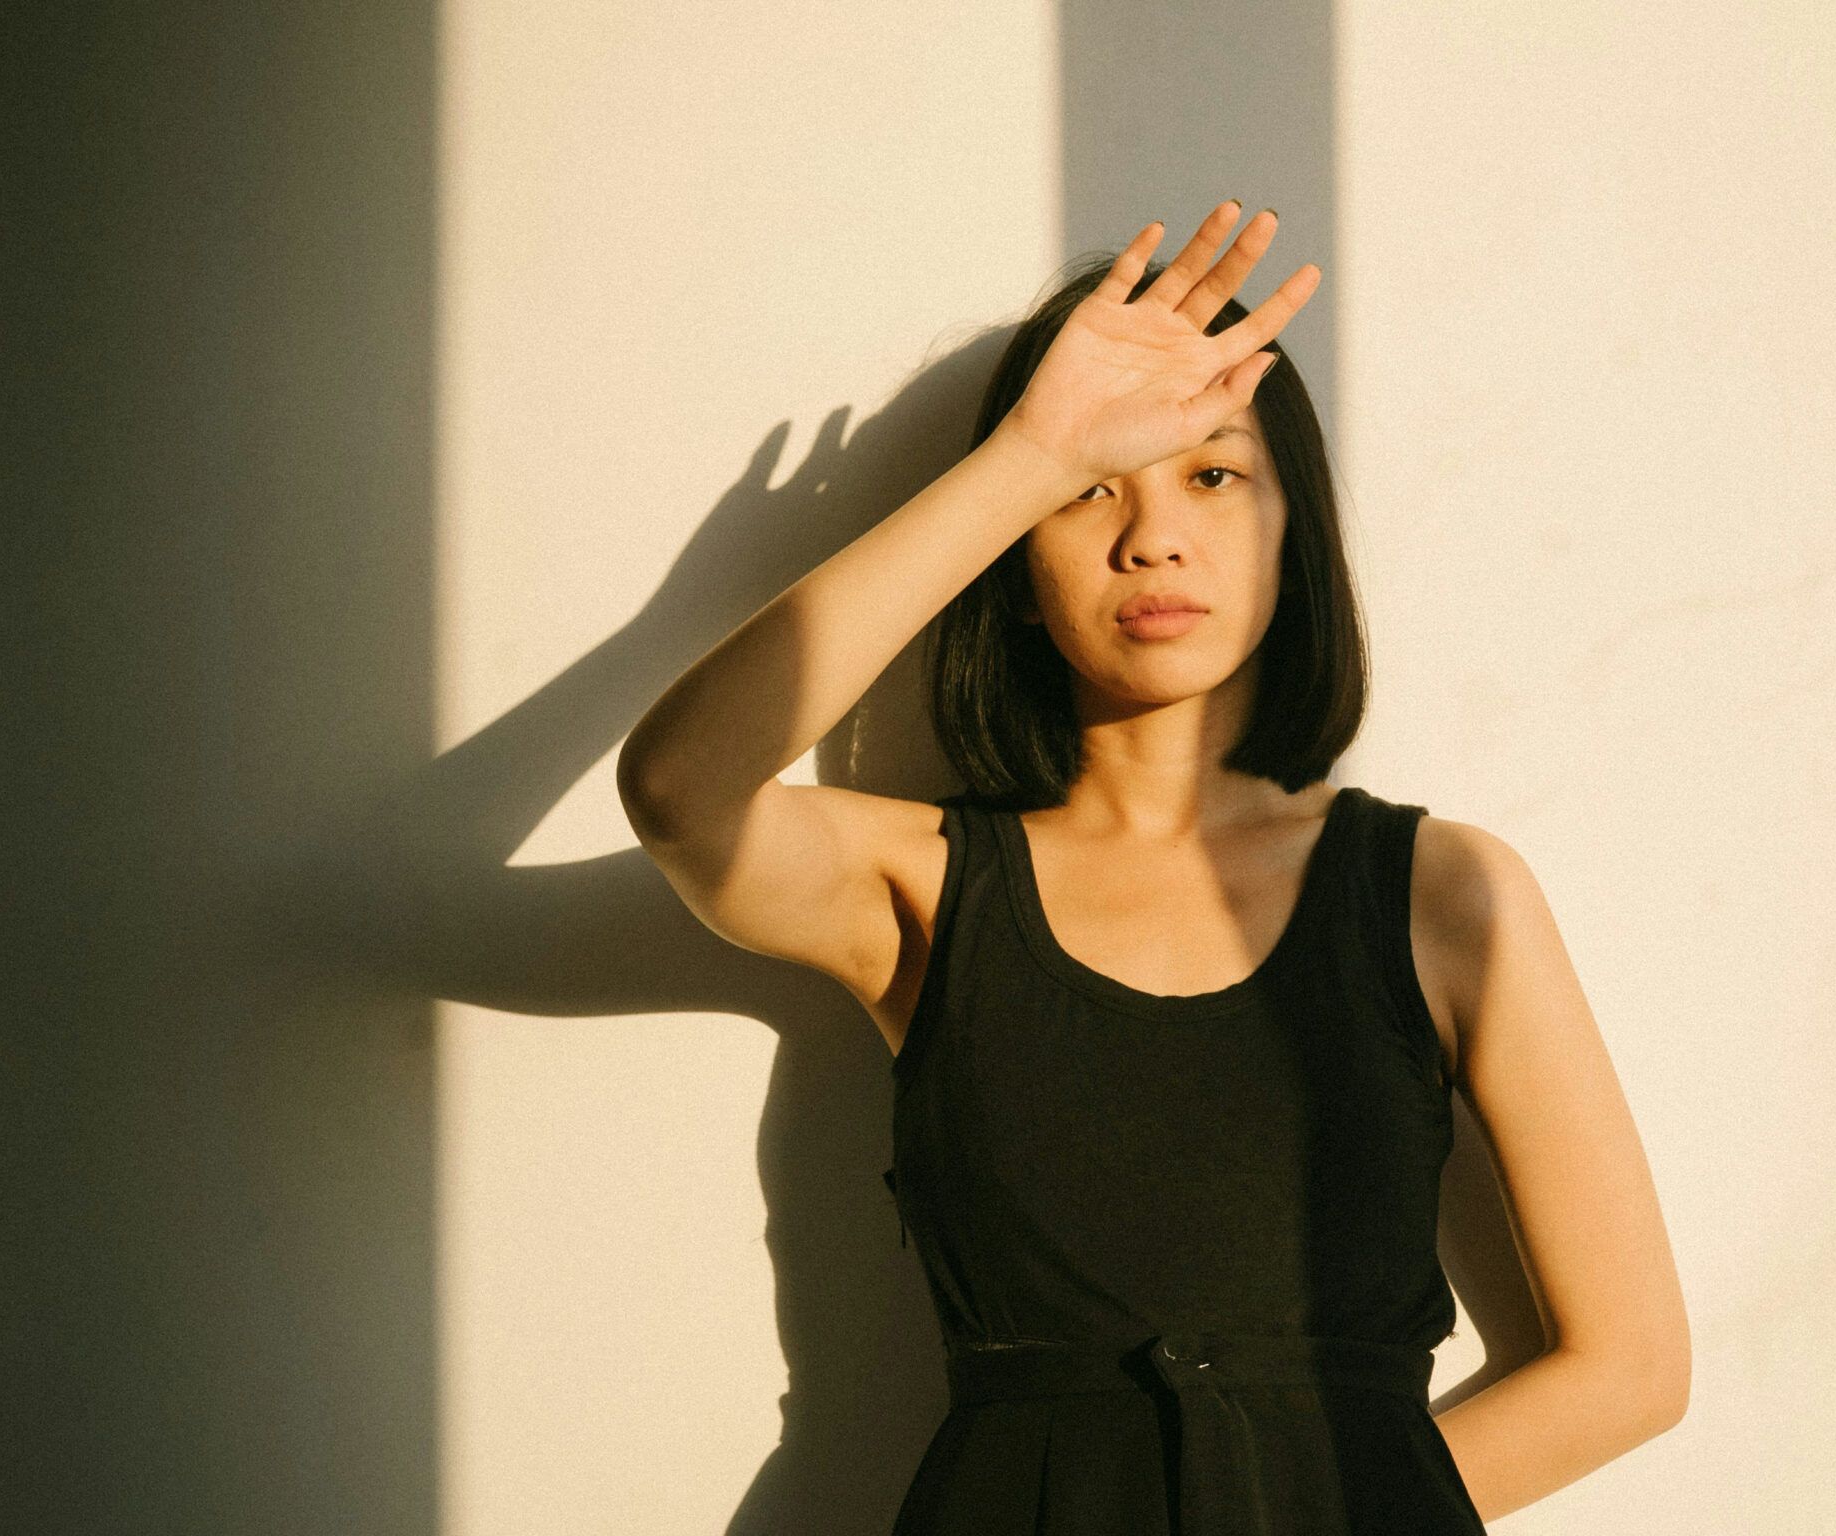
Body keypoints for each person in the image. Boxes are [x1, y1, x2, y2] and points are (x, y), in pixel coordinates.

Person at [617, 202, 1689, 1532]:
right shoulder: (923, 885)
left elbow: (1629, 1371)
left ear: (1295, 535)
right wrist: (1029, 456)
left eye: (1215, 477)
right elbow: (679, 788)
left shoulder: (1443, 894)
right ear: (1013, 565)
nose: (1153, 539)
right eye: (1092, 496)